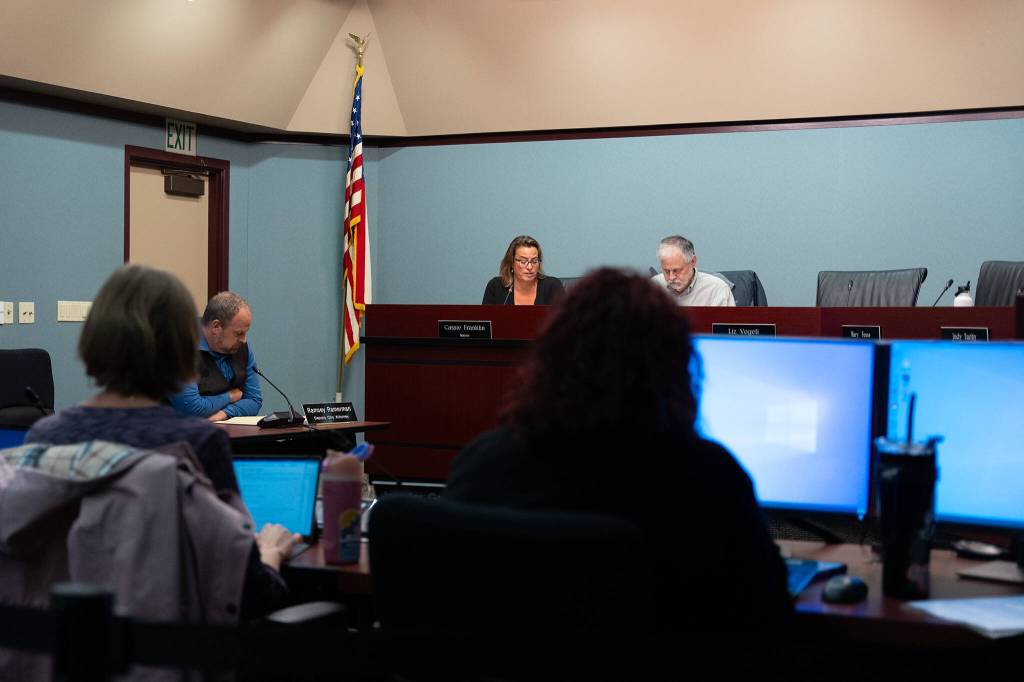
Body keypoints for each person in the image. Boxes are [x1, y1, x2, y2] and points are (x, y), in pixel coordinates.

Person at [447, 268, 791, 634]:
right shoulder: (709, 478)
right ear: (672, 365)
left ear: (550, 358)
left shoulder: (482, 465)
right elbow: (770, 615)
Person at [26, 264, 298, 619]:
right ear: (181, 350)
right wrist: (270, 554)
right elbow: (250, 591)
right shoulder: (195, 447)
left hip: (57, 652)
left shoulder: (43, 437)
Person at [168, 291, 263, 421]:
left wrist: (225, 413)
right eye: (239, 333)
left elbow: (254, 400)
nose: (244, 340)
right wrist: (230, 396)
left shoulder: (240, 347)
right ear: (216, 326)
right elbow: (192, 409)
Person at [651, 235, 735, 306]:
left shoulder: (717, 289)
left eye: (677, 270)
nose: (671, 277)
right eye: (666, 271)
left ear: (693, 261)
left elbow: (727, 324)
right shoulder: (654, 286)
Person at [481, 235, 564, 305]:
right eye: (523, 261)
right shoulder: (496, 287)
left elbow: (565, 322)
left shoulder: (553, 287)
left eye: (534, 261)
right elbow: (486, 322)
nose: (530, 267)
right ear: (511, 263)